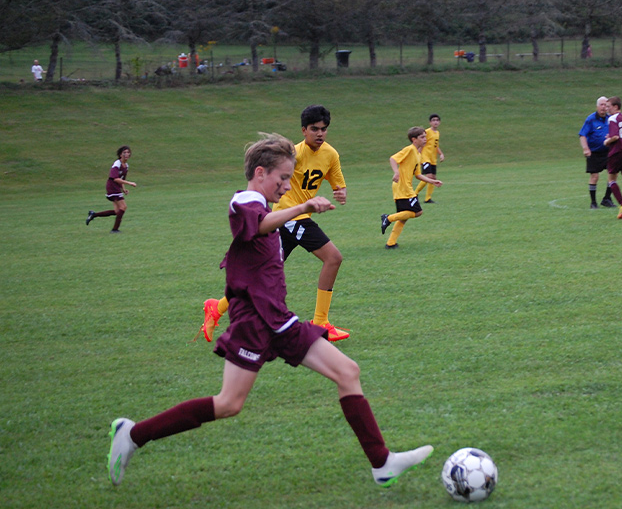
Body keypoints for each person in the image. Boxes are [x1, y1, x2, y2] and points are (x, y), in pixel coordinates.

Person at [107, 133, 433, 488]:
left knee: (347, 371)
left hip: (278, 318)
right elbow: (259, 225)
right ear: (260, 173)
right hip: (254, 321)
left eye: (290, 179)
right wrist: (303, 207)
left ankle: (381, 463)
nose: (286, 185)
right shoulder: (244, 202)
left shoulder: (263, 204)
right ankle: (133, 434)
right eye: (282, 178)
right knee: (229, 403)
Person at [199, 106, 349, 344]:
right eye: (314, 129)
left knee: (257, 273)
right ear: (303, 130)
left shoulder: (331, 154)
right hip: (288, 216)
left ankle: (217, 307)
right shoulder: (293, 155)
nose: (319, 134)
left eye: (323, 129)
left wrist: (341, 193)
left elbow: (338, 183)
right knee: (333, 258)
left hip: (295, 219)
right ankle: (321, 322)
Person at [381, 127, 442, 249]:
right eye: (422, 137)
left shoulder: (418, 154)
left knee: (404, 216)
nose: (425, 139)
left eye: (425, 136)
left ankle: (391, 243)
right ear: (414, 139)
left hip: (404, 187)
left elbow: (418, 175)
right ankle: (387, 218)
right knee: (417, 212)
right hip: (403, 187)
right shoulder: (409, 149)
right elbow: (393, 159)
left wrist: (432, 180)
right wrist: (396, 172)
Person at [86, 146, 137, 232]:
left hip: (116, 187)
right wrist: (130, 183)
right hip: (112, 187)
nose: (126, 154)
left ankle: (93, 214)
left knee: (117, 211)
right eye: (124, 152)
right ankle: (115, 229)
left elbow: (121, 178)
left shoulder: (126, 165)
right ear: (120, 154)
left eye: (128, 152)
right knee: (123, 207)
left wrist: (124, 189)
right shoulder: (117, 163)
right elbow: (115, 178)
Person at [578, 96, 616, 209]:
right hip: (594, 153)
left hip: (608, 152)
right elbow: (582, 135)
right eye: (601, 105)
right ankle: (593, 202)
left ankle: (607, 199)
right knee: (594, 176)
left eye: (606, 105)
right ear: (597, 106)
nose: (604, 108)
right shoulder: (591, 119)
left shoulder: (611, 119)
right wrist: (586, 148)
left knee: (612, 174)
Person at [413, 114, 445, 204]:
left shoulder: (437, 133)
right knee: (428, 177)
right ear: (430, 122)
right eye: (433, 120)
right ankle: (414, 194)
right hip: (425, 157)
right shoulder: (426, 132)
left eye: (437, 120)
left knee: (433, 177)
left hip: (433, 158)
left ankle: (428, 198)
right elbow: (420, 143)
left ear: (439, 122)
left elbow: (436, 145)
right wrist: (417, 155)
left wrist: (441, 154)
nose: (435, 122)